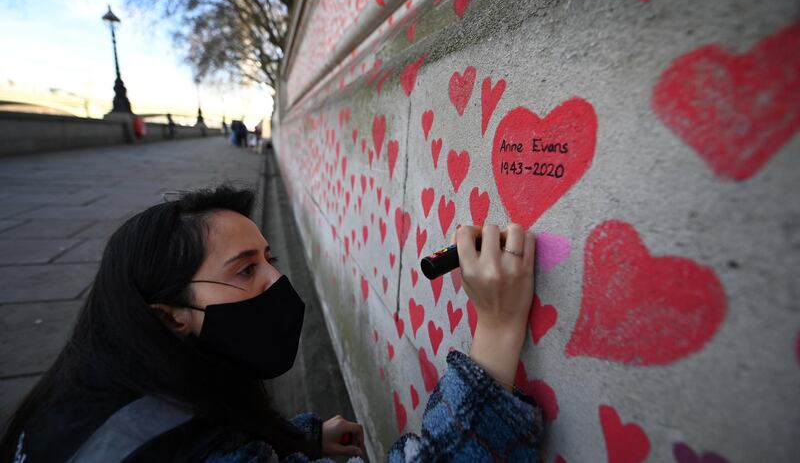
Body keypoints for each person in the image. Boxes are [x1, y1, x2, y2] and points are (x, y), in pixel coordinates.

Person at [0, 186, 542, 462]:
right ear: (170, 317)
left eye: (269, 257)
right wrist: (496, 326)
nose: (275, 282)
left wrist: (294, 440)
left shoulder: (88, 386)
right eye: (245, 270)